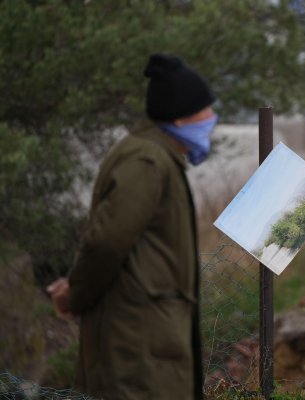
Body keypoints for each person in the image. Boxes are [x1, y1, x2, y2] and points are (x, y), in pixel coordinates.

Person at [47, 53, 217, 400]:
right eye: (206, 111)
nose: (212, 119)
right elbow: (106, 243)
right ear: (181, 117)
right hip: (138, 350)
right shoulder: (146, 161)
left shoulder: (158, 156)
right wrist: (76, 294)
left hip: (149, 345)